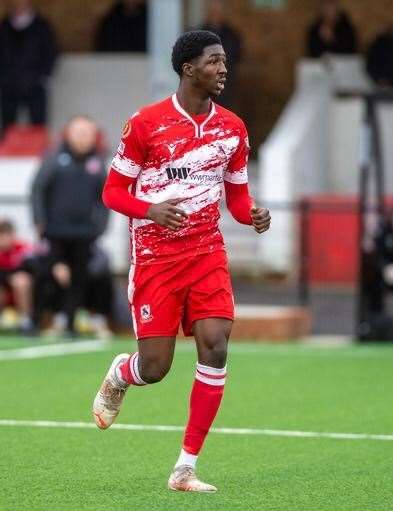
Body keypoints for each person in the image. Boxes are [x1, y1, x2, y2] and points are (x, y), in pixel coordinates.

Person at [92, 30, 271, 492]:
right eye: (214, 61)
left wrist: (251, 214)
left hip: (206, 252)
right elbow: (112, 192)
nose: (223, 69)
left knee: (216, 343)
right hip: (155, 259)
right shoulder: (146, 125)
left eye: (225, 61)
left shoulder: (232, 128)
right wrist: (150, 210)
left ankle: (185, 467)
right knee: (155, 368)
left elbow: (236, 197)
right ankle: (121, 373)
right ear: (188, 68)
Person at [31, 116, 109, 336]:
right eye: (80, 132)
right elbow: (38, 190)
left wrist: (100, 227)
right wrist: (39, 221)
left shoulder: (97, 163)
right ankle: (36, 320)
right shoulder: (54, 158)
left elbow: (105, 197)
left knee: (79, 280)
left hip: (84, 234)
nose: (84, 138)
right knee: (46, 274)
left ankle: (70, 322)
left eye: (88, 133)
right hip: (53, 232)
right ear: (69, 133)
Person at [0, 0, 57, 134]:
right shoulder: (4, 25)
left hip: (34, 84)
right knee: (8, 127)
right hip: (9, 85)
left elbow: (51, 52)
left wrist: (43, 75)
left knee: (38, 126)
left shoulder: (42, 26)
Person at [198, 0, 241, 108]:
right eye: (212, 7)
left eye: (218, 7)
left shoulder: (231, 35)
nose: (215, 11)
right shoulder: (198, 34)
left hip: (225, 86)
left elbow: (236, 56)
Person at [0, 218, 35, 334]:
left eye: (7, 235)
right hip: (4, 292)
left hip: (21, 292)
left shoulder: (23, 248)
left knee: (21, 281)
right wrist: (8, 278)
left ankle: (26, 321)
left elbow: (34, 268)